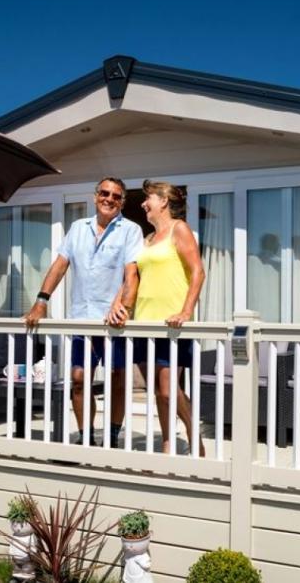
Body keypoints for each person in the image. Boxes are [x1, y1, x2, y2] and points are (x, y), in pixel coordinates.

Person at [23, 177, 142, 447]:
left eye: (115, 195)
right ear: (95, 196)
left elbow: (132, 274)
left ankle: (111, 437)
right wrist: (42, 301)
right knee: (78, 380)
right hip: (82, 319)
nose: (109, 199)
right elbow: (60, 265)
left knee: (117, 382)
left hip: (114, 323)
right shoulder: (77, 228)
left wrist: (122, 307)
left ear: (122, 201)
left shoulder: (130, 230)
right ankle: (86, 437)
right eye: (104, 193)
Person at [131, 179, 206, 456]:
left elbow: (198, 271)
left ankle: (191, 430)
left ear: (163, 201)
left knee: (168, 390)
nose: (142, 203)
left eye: (147, 198)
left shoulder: (180, 229)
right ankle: (167, 441)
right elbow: (137, 280)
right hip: (143, 323)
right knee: (158, 392)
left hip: (171, 324)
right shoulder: (147, 240)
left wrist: (186, 311)